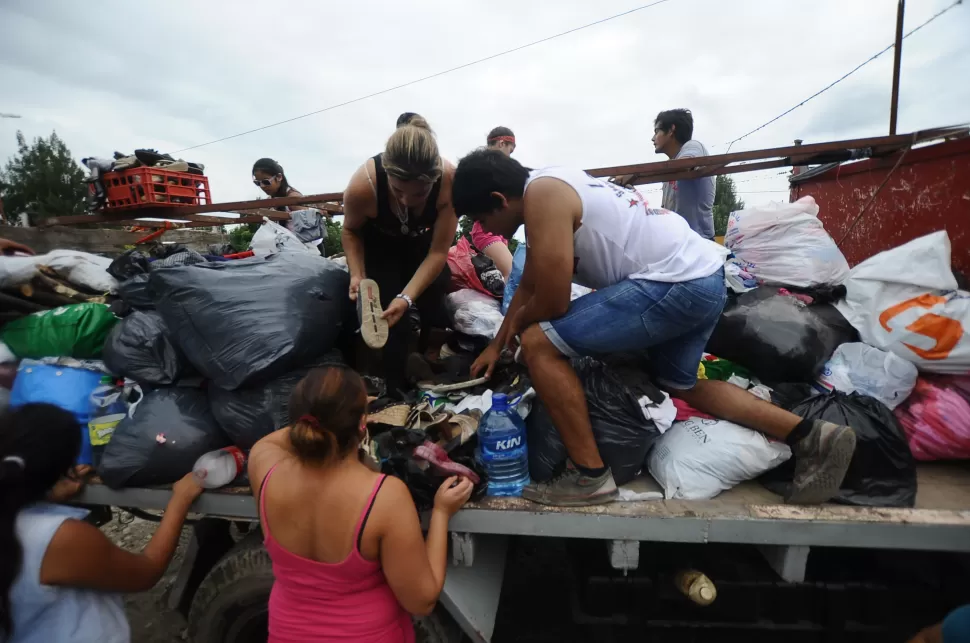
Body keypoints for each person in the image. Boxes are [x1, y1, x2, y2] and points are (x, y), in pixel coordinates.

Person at [454, 149, 857, 507]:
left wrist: (522, 332)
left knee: (541, 343)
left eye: (484, 218)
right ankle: (810, 435)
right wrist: (499, 342)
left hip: (675, 283)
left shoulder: (542, 195)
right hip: (705, 276)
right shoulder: (552, 184)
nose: (487, 230)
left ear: (499, 200)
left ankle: (589, 476)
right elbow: (529, 285)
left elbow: (554, 302)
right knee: (679, 383)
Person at [248, 365, 473, 642]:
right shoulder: (383, 496)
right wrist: (440, 513)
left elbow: (273, 442)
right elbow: (421, 601)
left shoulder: (265, 470)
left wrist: (326, 417)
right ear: (362, 424)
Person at [0, 403, 204, 643]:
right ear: (63, 468)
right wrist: (180, 500)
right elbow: (146, 571)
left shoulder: (16, 517)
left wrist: (47, 491)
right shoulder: (59, 538)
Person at [342, 114, 458, 396]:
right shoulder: (363, 187)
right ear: (386, 173)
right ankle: (396, 389)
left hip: (422, 245)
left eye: (420, 194)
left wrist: (408, 298)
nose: (407, 201)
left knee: (436, 295)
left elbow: (439, 251)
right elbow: (350, 231)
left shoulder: (451, 181)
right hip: (380, 245)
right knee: (391, 318)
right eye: (397, 191)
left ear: (435, 179)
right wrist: (358, 273)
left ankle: (426, 361)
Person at [652, 109, 716, 240]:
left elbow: (685, 164)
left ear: (671, 130)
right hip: (680, 241)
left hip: (700, 240)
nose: (653, 138)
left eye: (657, 131)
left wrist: (633, 174)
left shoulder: (693, 146)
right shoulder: (669, 167)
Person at [466, 127, 519, 280]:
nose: (510, 156)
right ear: (502, 144)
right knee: (512, 274)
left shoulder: (492, 168)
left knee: (504, 276)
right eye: (510, 150)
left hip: (497, 230)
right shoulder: (483, 168)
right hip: (486, 231)